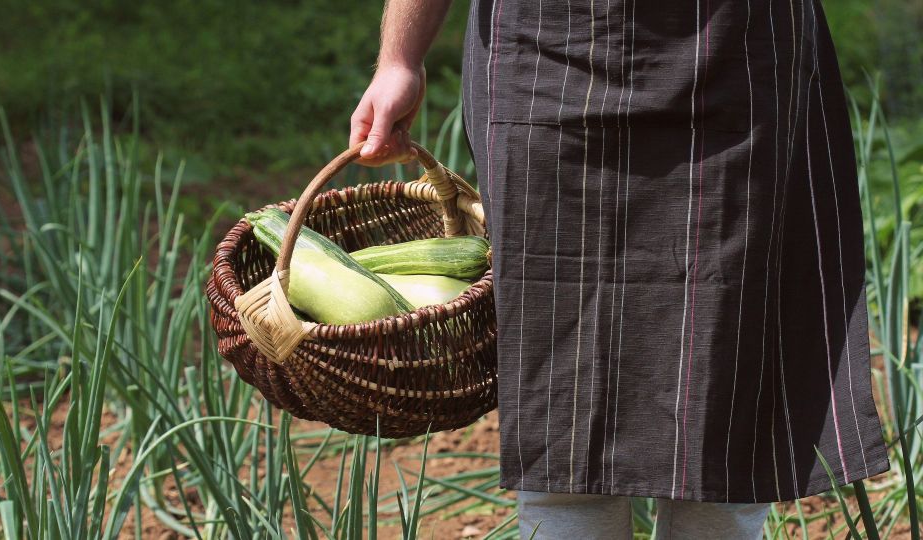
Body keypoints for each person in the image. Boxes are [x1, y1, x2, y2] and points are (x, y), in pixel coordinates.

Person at [349, 0, 891, 538]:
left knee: (727, 384)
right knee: (560, 378)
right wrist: (398, 58)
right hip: (547, 50)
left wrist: (402, 58)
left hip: (737, 53)